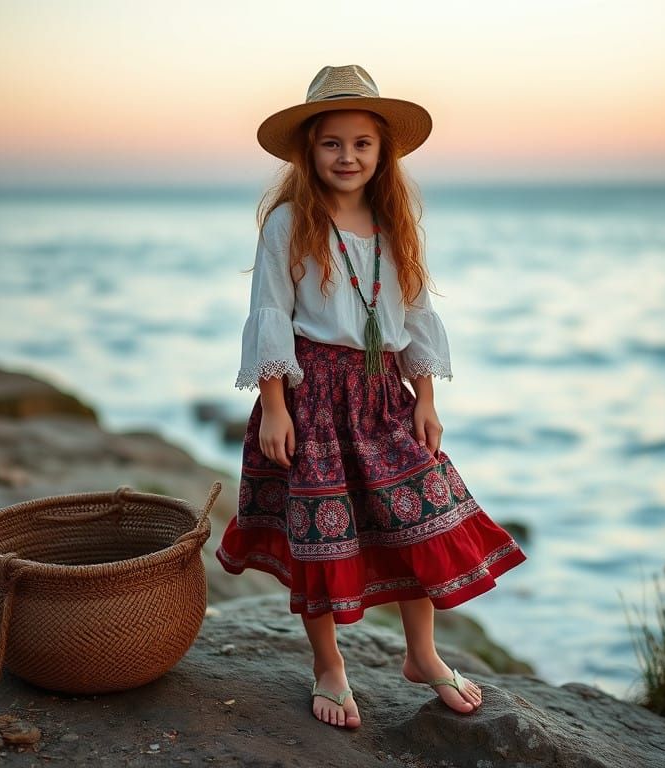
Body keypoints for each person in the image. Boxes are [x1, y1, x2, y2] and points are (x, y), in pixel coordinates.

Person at [215, 64, 527, 730]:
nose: (347, 156)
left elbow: (413, 314)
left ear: (383, 152)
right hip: (312, 396)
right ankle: (329, 666)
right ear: (309, 150)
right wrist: (274, 406)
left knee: (418, 518)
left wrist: (426, 398)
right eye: (332, 143)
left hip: (385, 394)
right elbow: (270, 314)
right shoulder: (288, 223)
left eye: (362, 143)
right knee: (321, 536)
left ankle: (422, 654)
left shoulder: (394, 221)